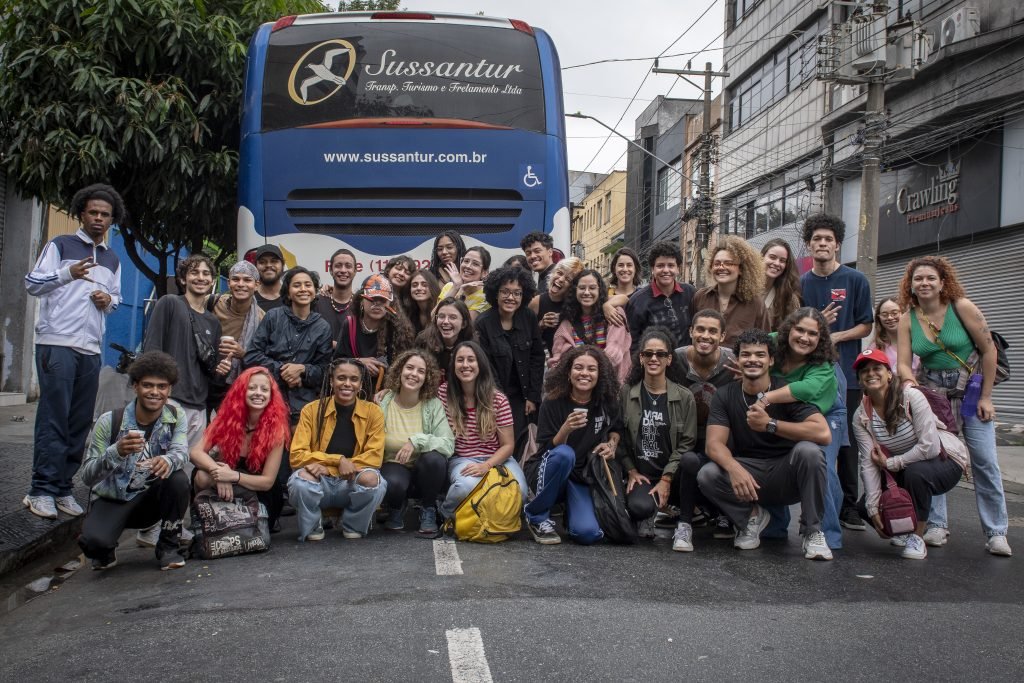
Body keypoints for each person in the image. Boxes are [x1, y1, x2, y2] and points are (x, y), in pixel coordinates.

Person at [897, 256, 1012, 556]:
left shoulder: (962, 308)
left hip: (970, 391)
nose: (924, 283)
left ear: (942, 282)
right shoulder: (907, 319)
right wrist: (909, 383)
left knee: (985, 461)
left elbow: (988, 350)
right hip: (932, 393)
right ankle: (936, 524)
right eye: (918, 279)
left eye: (930, 278)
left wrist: (986, 397)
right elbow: (903, 364)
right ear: (910, 284)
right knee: (936, 458)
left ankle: (996, 532)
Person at [23, 183, 124, 520]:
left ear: (112, 220)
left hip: (90, 348)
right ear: (82, 213)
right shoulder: (61, 245)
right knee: (54, 416)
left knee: (79, 421)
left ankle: (63, 487)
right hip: (56, 342)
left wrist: (107, 300)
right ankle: (40, 489)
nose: (98, 218)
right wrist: (68, 273)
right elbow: (32, 283)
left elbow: (117, 298)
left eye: (105, 215)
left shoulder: (112, 258)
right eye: (93, 212)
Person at [698, 329, 833, 560]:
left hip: (786, 474)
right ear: (738, 360)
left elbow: (822, 432)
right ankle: (751, 517)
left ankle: (812, 532)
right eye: (746, 355)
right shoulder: (725, 394)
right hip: (749, 476)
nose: (752, 360)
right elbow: (714, 444)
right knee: (707, 473)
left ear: (771, 360)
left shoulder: (785, 391)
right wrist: (734, 468)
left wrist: (771, 424)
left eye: (760, 355)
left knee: (810, 452)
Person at [78, 351, 190, 570]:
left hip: (150, 498)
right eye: (148, 385)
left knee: (178, 479)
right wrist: (116, 452)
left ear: (169, 390)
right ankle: (106, 549)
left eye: (162, 386)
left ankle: (168, 546)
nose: (155, 392)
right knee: (94, 545)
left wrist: (168, 460)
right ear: (135, 386)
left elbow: (182, 452)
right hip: (115, 498)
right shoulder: (109, 421)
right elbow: (87, 476)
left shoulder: (176, 415)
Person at [851, 349, 967, 560]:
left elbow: (929, 447)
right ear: (860, 379)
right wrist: (873, 507)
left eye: (877, 368)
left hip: (945, 461)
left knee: (916, 473)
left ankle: (917, 537)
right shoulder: (861, 415)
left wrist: (892, 462)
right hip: (905, 466)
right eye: (864, 371)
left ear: (889, 374)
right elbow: (869, 463)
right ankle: (903, 530)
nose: (870, 374)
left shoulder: (912, 397)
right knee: (864, 506)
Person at [244, 266, 333, 529]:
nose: (303, 289)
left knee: (304, 457)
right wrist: (285, 370)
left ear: (315, 291)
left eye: (308, 285)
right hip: (271, 397)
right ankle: (269, 511)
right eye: (297, 285)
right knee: (272, 458)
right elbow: (252, 356)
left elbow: (326, 370)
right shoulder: (273, 317)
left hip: (304, 402)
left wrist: (303, 371)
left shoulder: (323, 326)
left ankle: (310, 507)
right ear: (289, 291)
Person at [799, 214, 872, 532]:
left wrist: (835, 335)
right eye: (817, 239)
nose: (823, 244)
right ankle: (814, 508)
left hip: (849, 373)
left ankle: (848, 507)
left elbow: (866, 324)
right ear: (809, 245)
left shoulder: (856, 280)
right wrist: (817, 328)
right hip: (812, 377)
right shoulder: (803, 283)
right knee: (816, 439)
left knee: (847, 442)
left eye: (828, 239)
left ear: (837, 244)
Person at [756, 307, 846, 549]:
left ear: (821, 339)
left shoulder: (824, 362)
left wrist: (766, 398)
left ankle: (826, 534)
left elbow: (805, 390)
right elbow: (752, 356)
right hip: (788, 409)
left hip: (825, 412)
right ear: (788, 329)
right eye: (800, 330)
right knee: (772, 457)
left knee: (820, 463)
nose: (805, 338)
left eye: (812, 334)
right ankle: (774, 526)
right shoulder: (772, 342)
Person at [524, 346, 622, 545]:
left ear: (599, 374)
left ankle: (572, 514)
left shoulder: (606, 401)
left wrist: (612, 444)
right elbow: (548, 450)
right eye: (578, 367)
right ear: (568, 373)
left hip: (581, 475)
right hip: (548, 469)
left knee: (588, 534)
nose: (584, 373)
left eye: (591, 369)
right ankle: (536, 516)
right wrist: (566, 429)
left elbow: (616, 428)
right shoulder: (552, 402)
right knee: (564, 454)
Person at [287, 358, 388, 541]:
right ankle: (312, 524)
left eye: (353, 379)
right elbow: (296, 455)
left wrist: (328, 468)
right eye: (341, 378)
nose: (347, 384)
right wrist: (338, 460)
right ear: (332, 381)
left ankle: (352, 523)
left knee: (374, 480)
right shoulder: (311, 410)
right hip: (320, 484)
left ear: (360, 383)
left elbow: (374, 458)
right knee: (301, 481)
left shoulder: (373, 412)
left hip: (349, 482)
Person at [617, 328, 698, 550]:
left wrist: (667, 478)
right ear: (641, 358)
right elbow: (619, 437)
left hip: (674, 473)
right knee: (639, 508)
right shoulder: (627, 392)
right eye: (648, 354)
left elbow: (687, 442)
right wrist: (631, 470)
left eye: (660, 354)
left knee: (692, 460)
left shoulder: (684, 396)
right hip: (642, 475)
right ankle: (648, 513)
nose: (654, 358)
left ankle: (684, 525)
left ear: (669, 359)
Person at [143, 254, 231, 445]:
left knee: (185, 467)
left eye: (206, 273)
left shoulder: (213, 321)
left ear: (212, 281)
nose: (201, 277)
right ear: (183, 278)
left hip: (199, 408)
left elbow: (211, 371)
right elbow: (152, 351)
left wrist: (221, 371)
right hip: (169, 400)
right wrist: (156, 394)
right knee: (156, 463)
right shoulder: (169, 303)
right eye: (194, 272)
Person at [437, 341, 528, 520]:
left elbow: (508, 445)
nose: (465, 365)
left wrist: (486, 466)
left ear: (480, 364)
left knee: (520, 491)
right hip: (462, 458)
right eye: (460, 360)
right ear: (453, 365)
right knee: (464, 487)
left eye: (471, 360)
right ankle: (445, 513)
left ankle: (489, 519)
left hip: (498, 459)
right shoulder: (443, 393)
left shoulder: (497, 399)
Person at [189, 366, 290, 514]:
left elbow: (267, 481)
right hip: (225, 484)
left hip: (258, 489)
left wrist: (233, 476)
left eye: (264, 389)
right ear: (241, 392)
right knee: (202, 477)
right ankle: (201, 520)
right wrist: (219, 473)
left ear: (271, 395)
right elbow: (196, 453)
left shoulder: (277, 429)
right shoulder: (226, 419)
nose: (258, 393)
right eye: (252, 388)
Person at [672, 310, 737, 539]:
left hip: (721, 437)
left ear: (722, 336)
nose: (705, 336)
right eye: (700, 329)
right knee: (685, 462)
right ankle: (684, 516)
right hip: (685, 436)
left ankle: (724, 513)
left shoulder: (734, 362)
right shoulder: (675, 359)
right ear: (691, 332)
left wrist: (749, 378)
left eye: (712, 331)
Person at [377, 350, 455, 537]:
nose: (414, 374)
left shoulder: (433, 404)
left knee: (435, 459)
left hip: (426, 473)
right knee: (394, 483)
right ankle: (396, 505)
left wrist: (416, 440)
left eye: (421, 371)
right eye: (409, 368)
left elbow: (448, 444)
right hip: (394, 465)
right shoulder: (383, 402)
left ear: (426, 377)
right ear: (399, 371)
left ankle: (428, 508)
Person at [475, 267, 545, 441]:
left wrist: (533, 397)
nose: (511, 298)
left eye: (517, 293)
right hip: (495, 395)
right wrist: (499, 402)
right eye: (505, 292)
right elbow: (486, 367)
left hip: (524, 395)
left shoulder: (528, 317)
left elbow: (537, 357)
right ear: (495, 293)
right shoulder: (483, 323)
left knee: (523, 442)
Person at [550, 269, 631, 382]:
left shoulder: (613, 313)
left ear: (600, 290)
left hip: (611, 385)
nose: (587, 292)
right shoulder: (567, 324)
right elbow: (558, 358)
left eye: (592, 288)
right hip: (579, 388)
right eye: (582, 288)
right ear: (575, 290)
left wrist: (590, 371)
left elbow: (615, 351)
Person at [333, 274, 416, 383]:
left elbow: (405, 368)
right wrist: (359, 363)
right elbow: (336, 363)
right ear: (361, 299)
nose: (377, 304)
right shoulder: (350, 324)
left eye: (383, 300)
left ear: (390, 302)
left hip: (387, 391)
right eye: (372, 299)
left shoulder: (398, 327)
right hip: (354, 388)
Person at [691, 236, 770, 346]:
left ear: (741, 269)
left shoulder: (755, 304)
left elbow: (764, 342)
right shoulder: (700, 297)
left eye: (728, 263)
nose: (721, 267)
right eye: (717, 263)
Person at [625, 241, 697, 356]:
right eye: (660, 266)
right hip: (654, 365)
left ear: (678, 268)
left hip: (687, 365)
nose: (666, 270)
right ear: (652, 269)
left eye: (671, 265)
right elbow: (633, 344)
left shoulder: (690, 293)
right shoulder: (638, 301)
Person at [211, 260, 265, 389]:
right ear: (229, 283)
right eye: (235, 279)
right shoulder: (212, 302)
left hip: (239, 383)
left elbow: (265, 359)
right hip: (205, 376)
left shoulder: (262, 318)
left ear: (256, 285)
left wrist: (242, 353)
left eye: (247, 280)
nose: (241, 284)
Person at [529, 256, 583, 354]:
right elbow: (526, 337)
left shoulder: (578, 305)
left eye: (568, 279)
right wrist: (541, 325)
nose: (561, 279)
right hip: (548, 362)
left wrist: (607, 306)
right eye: (559, 273)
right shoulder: (536, 302)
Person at [415, 297, 476, 383]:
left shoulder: (473, 345)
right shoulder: (423, 340)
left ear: (464, 323)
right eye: (441, 316)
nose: (446, 321)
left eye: (453, 317)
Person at [314, 248, 357, 344]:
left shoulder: (361, 305)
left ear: (355, 271)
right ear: (330, 270)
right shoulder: (316, 302)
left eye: (348, 266)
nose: (343, 270)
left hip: (354, 359)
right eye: (338, 266)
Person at [438, 246, 491, 320]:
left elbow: (463, 324)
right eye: (466, 261)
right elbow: (434, 316)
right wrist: (456, 288)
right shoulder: (449, 287)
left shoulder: (485, 296)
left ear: (485, 273)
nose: (468, 266)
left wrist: (460, 291)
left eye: (475, 264)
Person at [761, 238, 802, 332]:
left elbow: (791, 332)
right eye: (772, 257)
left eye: (782, 260)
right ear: (761, 257)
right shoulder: (744, 289)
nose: (776, 263)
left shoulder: (789, 297)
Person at [871, 297, 918, 374]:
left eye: (895, 313)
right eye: (884, 314)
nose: (889, 317)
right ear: (879, 318)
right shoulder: (875, 348)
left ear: (904, 313)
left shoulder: (920, 342)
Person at [406, 268, 442, 335]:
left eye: (424, 285)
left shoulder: (440, 310)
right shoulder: (409, 313)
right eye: (414, 285)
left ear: (432, 287)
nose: (419, 288)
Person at [253, 244, 286, 312]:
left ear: (283, 265)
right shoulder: (249, 298)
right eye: (262, 262)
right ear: (255, 266)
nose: (268, 265)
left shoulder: (291, 296)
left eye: (274, 261)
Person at [520, 230, 555, 295]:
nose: (532, 256)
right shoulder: (544, 277)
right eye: (528, 253)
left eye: (537, 251)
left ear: (550, 252)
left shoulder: (557, 278)